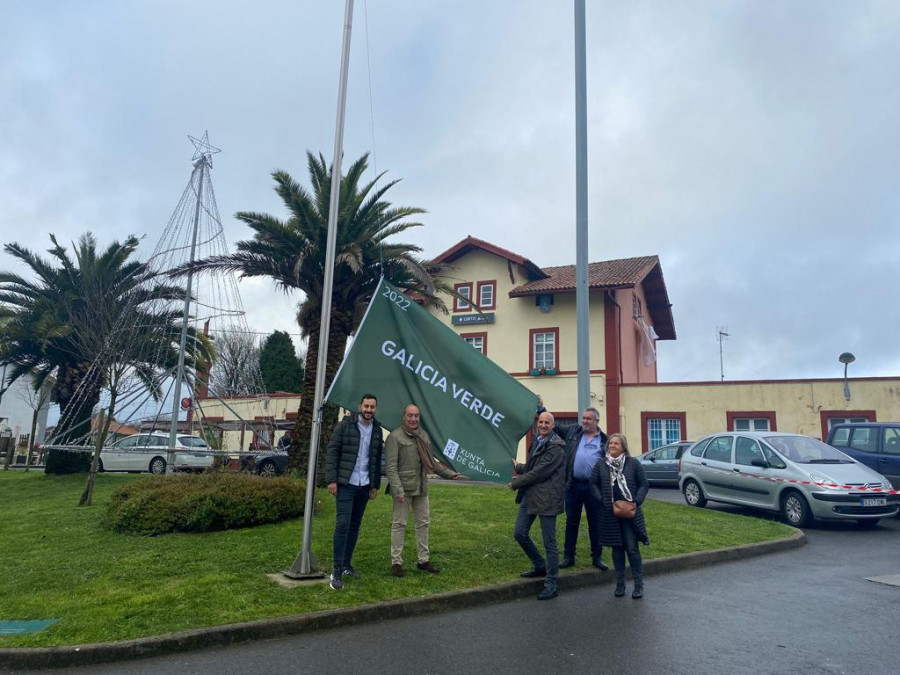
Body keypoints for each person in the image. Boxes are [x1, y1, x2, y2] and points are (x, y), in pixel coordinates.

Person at [384, 404, 460, 577]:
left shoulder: (423, 436)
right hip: (403, 489)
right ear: (404, 417)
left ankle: (423, 560)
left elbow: (431, 462)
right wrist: (398, 490)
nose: (413, 419)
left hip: (421, 488)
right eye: (410, 415)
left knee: (423, 524)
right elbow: (391, 467)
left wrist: (449, 474)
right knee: (399, 525)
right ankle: (396, 563)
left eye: (416, 416)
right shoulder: (394, 437)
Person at [324, 394, 384, 591]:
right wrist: (332, 480)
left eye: (372, 407)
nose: (368, 410)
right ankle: (337, 569)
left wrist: (374, 485)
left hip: (364, 485)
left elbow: (375, 459)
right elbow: (333, 451)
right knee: (342, 524)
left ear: (375, 409)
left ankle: (347, 564)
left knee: (355, 526)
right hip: (346, 483)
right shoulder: (345, 426)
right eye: (366, 406)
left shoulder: (376, 430)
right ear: (360, 406)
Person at [509, 411, 566, 600]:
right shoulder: (538, 440)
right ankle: (539, 565)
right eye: (540, 422)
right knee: (519, 532)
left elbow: (540, 472)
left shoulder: (557, 447)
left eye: (546, 423)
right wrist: (518, 467)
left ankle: (551, 583)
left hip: (548, 499)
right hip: (531, 496)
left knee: (550, 542)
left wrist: (516, 482)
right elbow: (533, 467)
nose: (542, 425)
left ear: (553, 425)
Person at [549, 405, 610, 570]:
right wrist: (541, 408)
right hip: (573, 485)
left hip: (593, 488)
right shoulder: (574, 433)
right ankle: (569, 557)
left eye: (588, 419)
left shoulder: (605, 441)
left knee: (595, 522)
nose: (584, 421)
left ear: (597, 421)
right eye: (583, 418)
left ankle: (597, 557)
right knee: (571, 521)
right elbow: (555, 425)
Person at [590, 432, 650, 599]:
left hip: (630, 513)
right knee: (617, 549)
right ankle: (620, 584)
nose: (612, 446)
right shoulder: (602, 465)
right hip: (610, 513)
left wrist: (636, 501)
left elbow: (644, 484)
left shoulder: (633, 464)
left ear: (623, 447)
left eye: (616, 443)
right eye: (610, 443)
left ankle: (638, 585)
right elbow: (593, 484)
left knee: (631, 548)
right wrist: (602, 499)